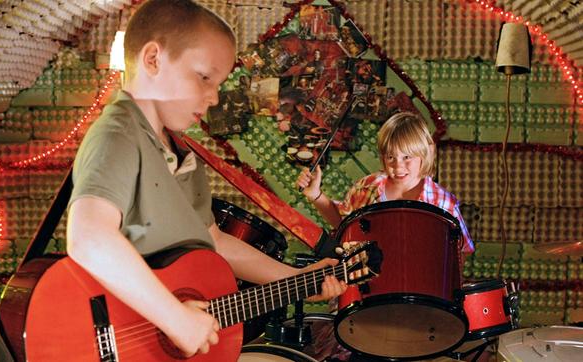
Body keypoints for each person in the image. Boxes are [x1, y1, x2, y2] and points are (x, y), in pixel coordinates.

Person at [65, 0, 347, 358]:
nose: (213, 97)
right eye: (204, 78)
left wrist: (298, 281)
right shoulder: (118, 134)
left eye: (218, 83)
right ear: (153, 59)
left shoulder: (182, 154)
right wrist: (174, 318)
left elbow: (214, 242)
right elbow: (88, 237)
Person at [296, 112, 474, 253]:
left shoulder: (442, 201)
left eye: (407, 157)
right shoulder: (367, 187)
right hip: (370, 286)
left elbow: (463, 249)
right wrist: (315, 195)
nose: (398, 166)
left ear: (424, 154)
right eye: (391, 157)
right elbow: (344, 224)